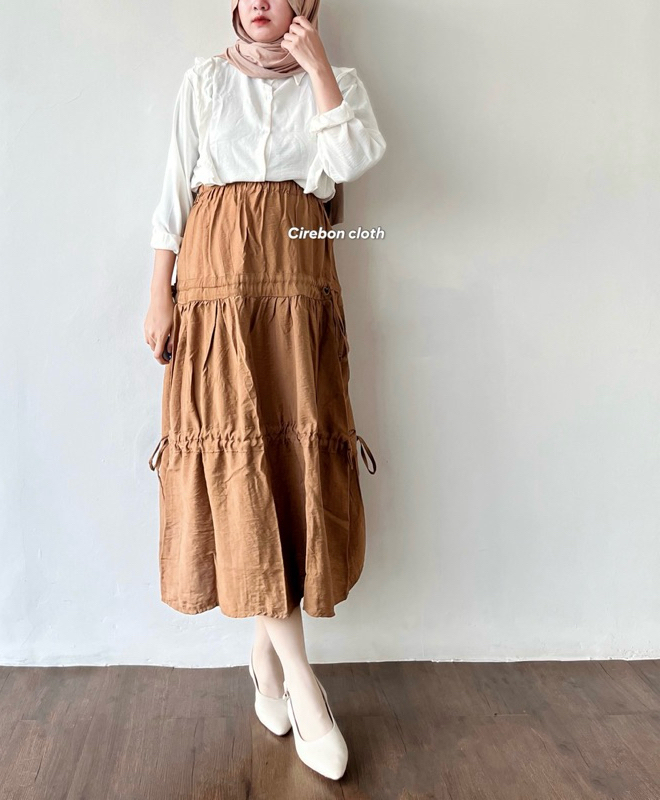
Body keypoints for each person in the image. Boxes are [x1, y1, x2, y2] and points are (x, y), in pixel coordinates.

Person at [144, 0, 386, 780]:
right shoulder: (206, 81)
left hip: (298, 281)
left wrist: (317, 70)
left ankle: (264, 660)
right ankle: (304, 687)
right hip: (217, 284)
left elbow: (350, 162)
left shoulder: (336, 80)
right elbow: (174, 189)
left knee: (284, 459)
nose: (258, 2)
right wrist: (158, 293)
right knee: (240, 457)